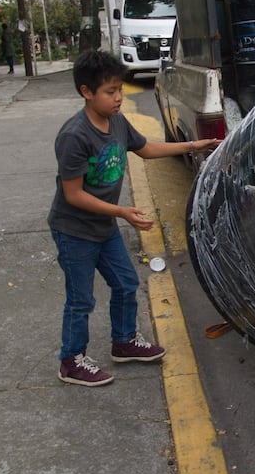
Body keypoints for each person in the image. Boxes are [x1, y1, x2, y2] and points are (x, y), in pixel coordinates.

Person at [48, 50, 221, 387]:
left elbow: (145, 149)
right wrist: (122, 212)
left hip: (104, 227)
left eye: (119, 90)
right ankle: (71, 361)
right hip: (74, 232)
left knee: (126, 284)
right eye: (110, 91)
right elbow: (74, 195)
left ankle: (124, 342)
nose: (118, 98)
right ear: (86, 92)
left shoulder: (116, 121)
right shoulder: (74, 136)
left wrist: (193, 146)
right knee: (81, 299)